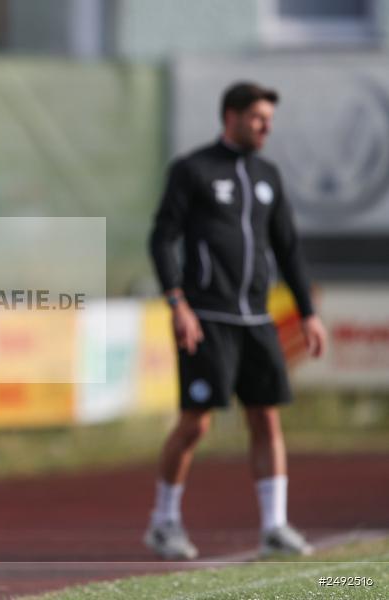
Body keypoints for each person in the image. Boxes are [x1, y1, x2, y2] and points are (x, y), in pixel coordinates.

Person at [145, 81, 327, 560]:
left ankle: (274, 526)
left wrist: (308, 313)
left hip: (257, 317)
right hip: (206, 317)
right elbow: (162, 238)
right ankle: (164, 522)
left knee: (266, 418)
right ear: (231, 116)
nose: (266, 126)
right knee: (196, 425)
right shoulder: (193, 170)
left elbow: (287, 247)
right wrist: (177, 304)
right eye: (257, 117)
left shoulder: (268, 174)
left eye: (269, 118)